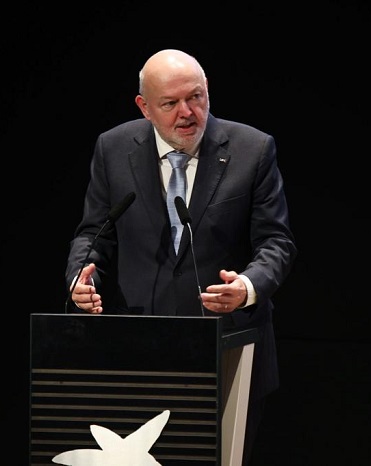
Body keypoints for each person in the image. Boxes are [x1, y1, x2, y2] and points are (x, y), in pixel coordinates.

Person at [65, 48, 297, 466]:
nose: (187, 113)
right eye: (170, 103)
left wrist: (246, 287)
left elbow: (276, 242)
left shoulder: (253, 149)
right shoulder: (113, 148)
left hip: (228, 350)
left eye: (195, 97)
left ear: (208, 91)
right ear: (144, 107)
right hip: (135, 352)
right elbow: (93, 234)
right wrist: (82, 277)